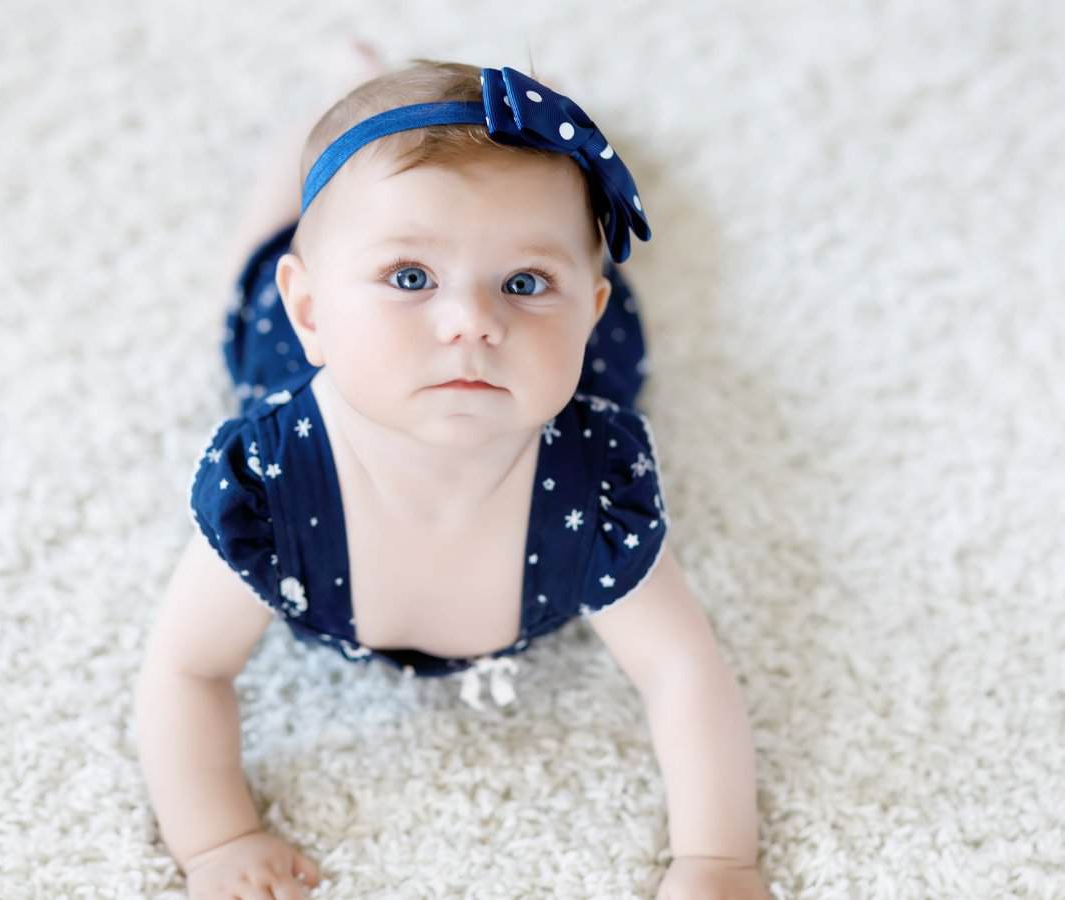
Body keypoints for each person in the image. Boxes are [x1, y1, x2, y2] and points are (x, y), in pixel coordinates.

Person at [134, 46, 770, 900]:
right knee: (255, 272)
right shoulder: (275, 480)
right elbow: (185, 669)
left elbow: (681, 671)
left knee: (601, 329)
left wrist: (718, 860)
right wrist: (219, 841)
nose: (471, 321)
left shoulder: (596, 481)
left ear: (587, 308)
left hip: (561, 367)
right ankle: (323, 113)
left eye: (522, 281)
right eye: (410, 276)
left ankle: (553, 213)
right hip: (309, 357)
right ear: (315, 310)